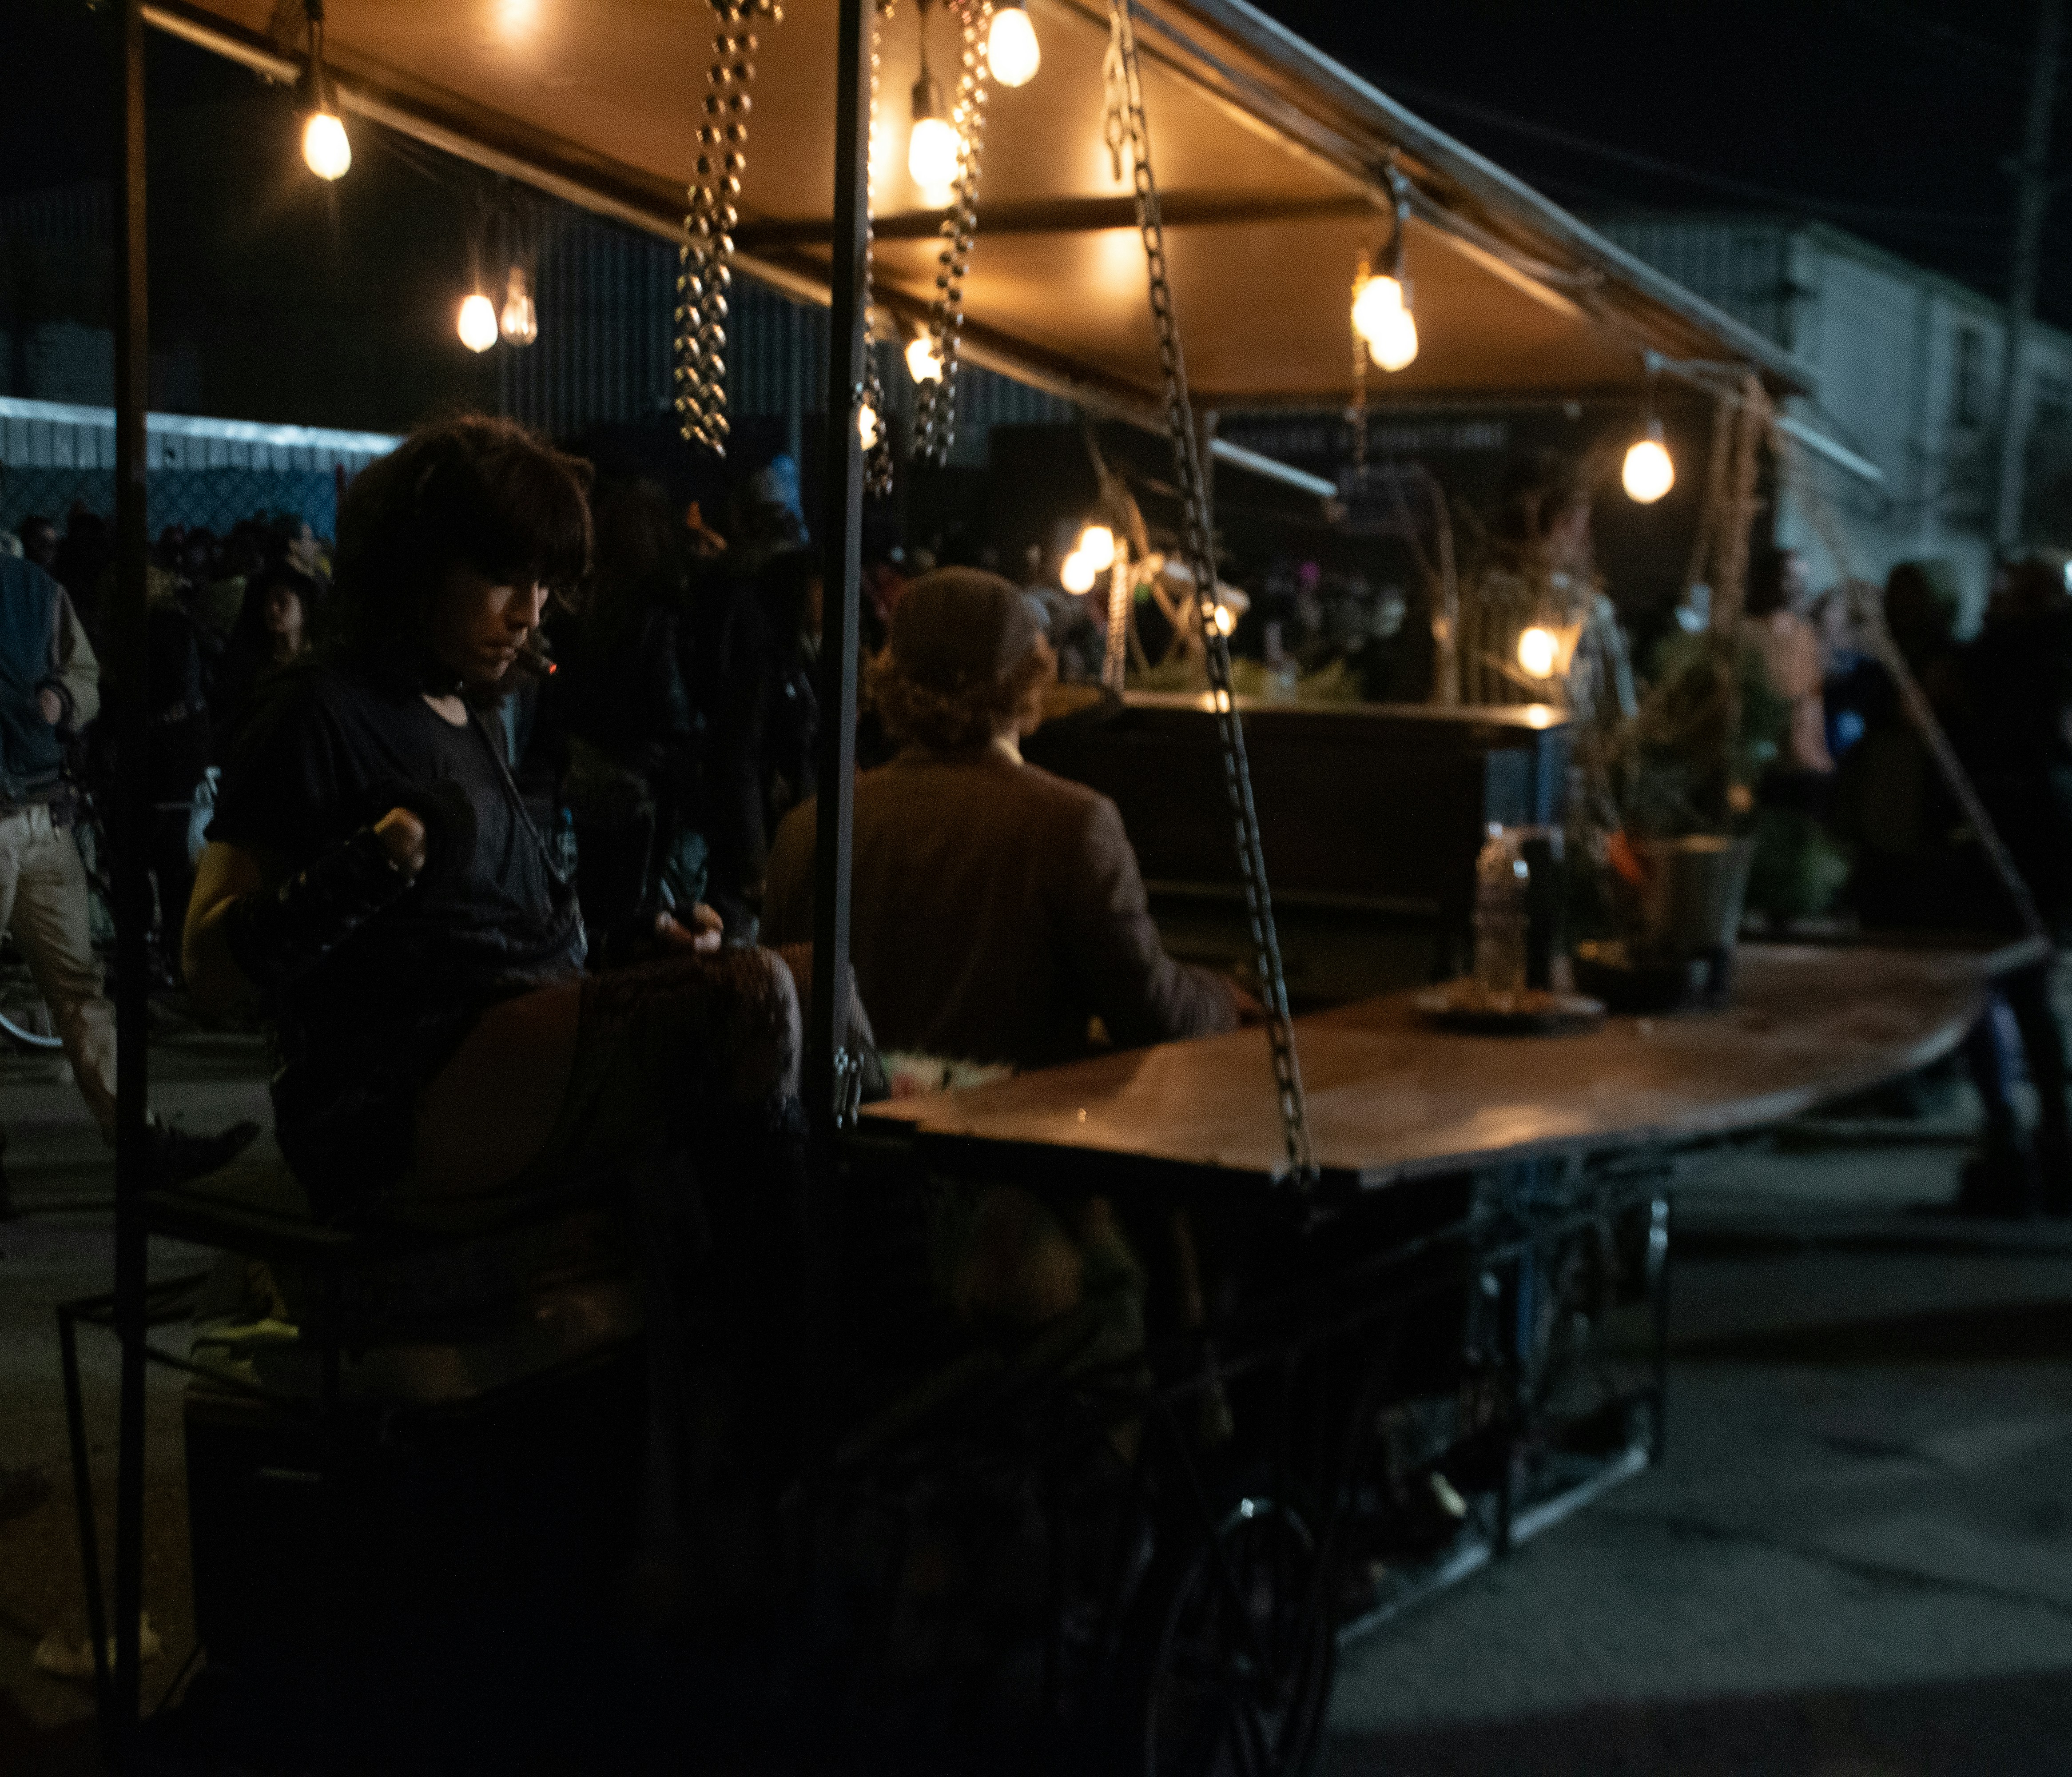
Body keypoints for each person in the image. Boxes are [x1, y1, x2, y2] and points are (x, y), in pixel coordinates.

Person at [762, 567, 1245, 1071]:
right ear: (1028, 679)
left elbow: (779, 1018)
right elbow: (1153, 1017)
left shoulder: (808, 828)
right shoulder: (1071, 823)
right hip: (1001, 1140)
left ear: (890, 678)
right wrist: (1223, 997)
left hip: (852, 1144)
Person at [0, 546, 255, 1187]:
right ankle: (136, 1141)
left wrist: (62, 697)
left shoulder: (34, 589)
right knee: (79, 990)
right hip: (32, 807)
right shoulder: (33, 589)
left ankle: (135, 1136)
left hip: (40, 813)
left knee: (81, 988)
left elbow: (80, 673)